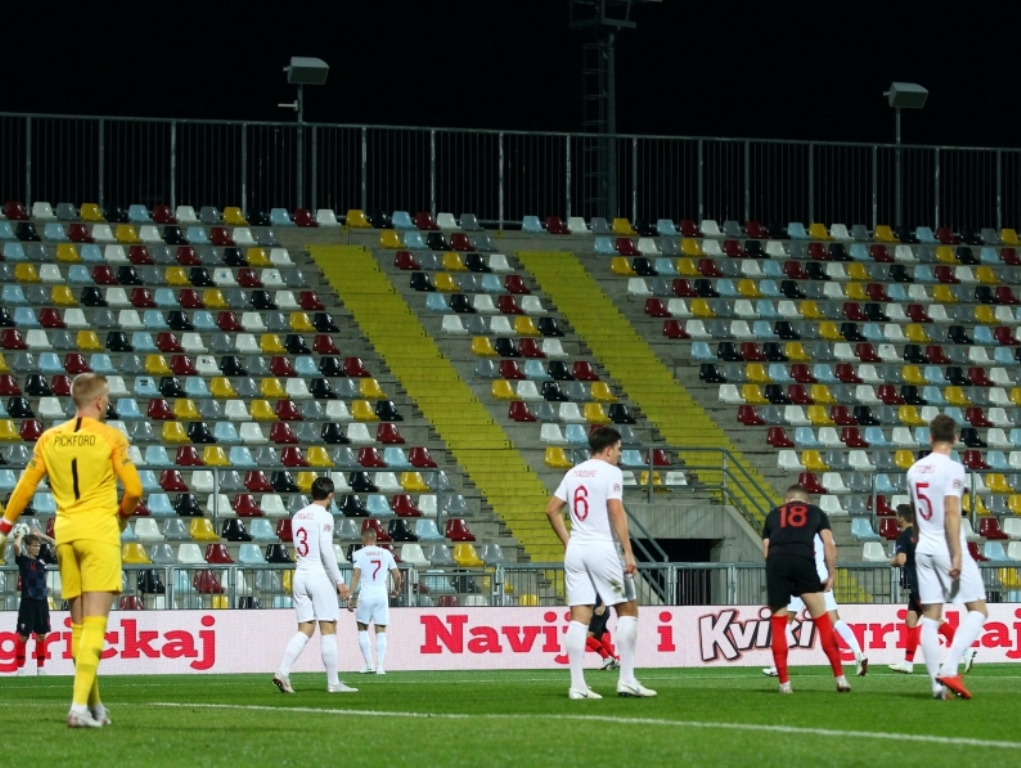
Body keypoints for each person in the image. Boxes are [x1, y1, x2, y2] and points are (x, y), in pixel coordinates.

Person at [0, 373, 142, 728]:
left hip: (65, 534)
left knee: (79, 625)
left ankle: (94, 704)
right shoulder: (111, 437)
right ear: (97, 401)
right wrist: (121, 517)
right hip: (99, 532)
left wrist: (4, 527)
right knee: (95, 622)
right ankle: (78, 707)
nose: (107, 403)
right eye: (106, 398)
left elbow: (25, 486)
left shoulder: (50, 438)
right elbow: (135, 491)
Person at [545, 426, 656, 699]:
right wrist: (628, 552)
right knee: (628, 609)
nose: (619, 455)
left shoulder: (573, 473)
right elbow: (615, 510)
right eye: (619, 450)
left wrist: (569, 543)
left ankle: (577, 686)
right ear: (608, 449)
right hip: (601, 548)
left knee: (579, 617)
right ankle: (627, 680)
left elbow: (551, 510)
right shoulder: (611, 472)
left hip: (576, 550)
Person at [906, 415, 987, 700]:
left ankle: (936, 686)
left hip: (923, 548)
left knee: (931, 617)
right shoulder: (953, 468)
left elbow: (915, 511)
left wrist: (918, 540)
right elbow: (952, 511)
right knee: (978, 609)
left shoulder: (914, 470)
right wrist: (956, 555)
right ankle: (950, 668)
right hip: (946, 546)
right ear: (955, 438)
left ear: (930, 438)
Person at [762, 506, 869, 678]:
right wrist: (830, 573)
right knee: (834, 620)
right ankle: (859, 654)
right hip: (821, 576)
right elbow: (833, 550)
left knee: (785, 621)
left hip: (801, 575)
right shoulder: (819, 529)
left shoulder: (795, 531)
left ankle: (778, 666)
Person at [762, 484, 850, 694]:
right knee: (822, 621)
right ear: (807, 501)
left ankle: (784, 684)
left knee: (779, 624)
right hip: (803, 559)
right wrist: (831, 574)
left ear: (786, 500)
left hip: (777, 561)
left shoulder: (773, 514)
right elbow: (828, 544)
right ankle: (840, 679)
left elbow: (766, 550)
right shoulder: (816, 512)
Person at [273, 477, 357, 694]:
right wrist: (340, 581)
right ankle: (333, 683)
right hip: (316, 574)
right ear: (330, 495)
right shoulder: (325, 516)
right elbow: (326, 550)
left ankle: (283, 671)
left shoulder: (298, 515)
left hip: (299, 575)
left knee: (306, 627)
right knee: (328, 626)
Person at [888, 503, 974, 675]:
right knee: (910, 621)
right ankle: (907, 663)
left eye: (897, 516)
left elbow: (901, 560)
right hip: (926, 582)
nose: (896, 519)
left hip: (921, 585)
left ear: (902, 518)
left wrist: (890, 561)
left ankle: (965, 650)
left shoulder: (904, 536)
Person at [348, 527, 402, 675]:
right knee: (381, 630)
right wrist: (396, 589)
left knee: (362, 628)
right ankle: (380, 666)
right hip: (381, 595)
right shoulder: (386, 553)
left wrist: (350, 595)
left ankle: (368, 664)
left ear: (363, 539)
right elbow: (397, 575)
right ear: (376, 538)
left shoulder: (358, 554)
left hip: (366, 595)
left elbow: (356, 574)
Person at [12, 528, 57, 676]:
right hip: (28, 602)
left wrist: (42, 536)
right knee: (23, 636)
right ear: (29, 547)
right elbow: (16, 547)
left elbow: (55, 544)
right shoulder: (23, 561)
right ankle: (20, 668)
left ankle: (40, 668)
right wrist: (21, 535)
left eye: (38, 546)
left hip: (42, 601)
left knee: (41, 635)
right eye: (35, 546)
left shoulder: (43, 558)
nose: (38, 548)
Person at [586, 595, 619, 670]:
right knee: (598, 637)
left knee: (587, 637)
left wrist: (602, 606)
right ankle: (615, 661)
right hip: (600, 609)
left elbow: (606, 591)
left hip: (599, 609)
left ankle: (606, 658)